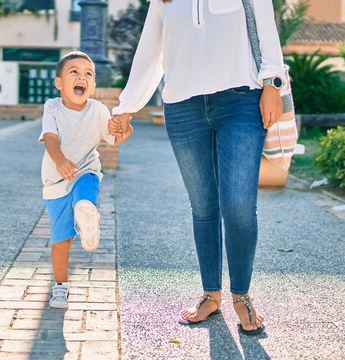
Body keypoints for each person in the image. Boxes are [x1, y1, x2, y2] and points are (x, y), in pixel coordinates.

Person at [110, 0, 285, 335]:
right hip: (183, 107)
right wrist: (127, 107)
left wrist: (272, 84)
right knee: (203, 206)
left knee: (237, 205)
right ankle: (210, 294)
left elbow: (267, 32)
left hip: (241, 101)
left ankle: (242, 296)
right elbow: (150, 52)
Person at [39, 51, 133, 308]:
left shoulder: (98, 110)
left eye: (88, 74)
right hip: (56, 180)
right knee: (61, 239)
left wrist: (126, 127)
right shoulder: (52, 107)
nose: (82, 77)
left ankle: (87, 214)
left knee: (87, 187)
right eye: (74, 72)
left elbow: (115, 138)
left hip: (86, 170)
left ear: (92, 86)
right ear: (59, 83)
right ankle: (60, 287)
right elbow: (49, 137)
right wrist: (59, 160)